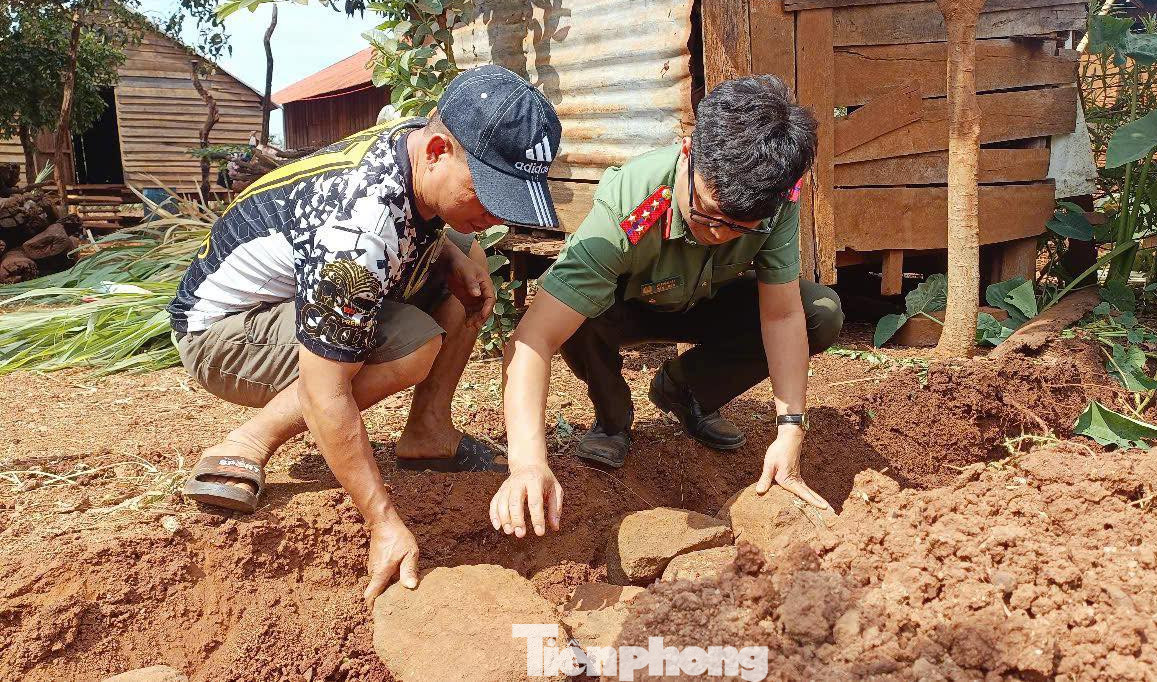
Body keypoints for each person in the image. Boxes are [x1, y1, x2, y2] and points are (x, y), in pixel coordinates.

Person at [170, 65, 562, 603]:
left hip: (293, 296)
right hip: (224, 333)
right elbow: (325, 388)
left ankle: (428, 433)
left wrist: (452, 251)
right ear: (438, 151)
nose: (494, 215)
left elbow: (419, 217)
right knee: (412, 344)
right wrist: (383, 521)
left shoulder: (414, 143)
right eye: (486, 193)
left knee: (464, 286)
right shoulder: (357, 230)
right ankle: (247, 442)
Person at [490, 74, 844, 539]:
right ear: (688, 152)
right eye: (706, 213)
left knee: (820, 311)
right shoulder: (633, 202)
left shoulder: (776, 200)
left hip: (707, 299)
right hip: (625, 306)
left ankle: (685, 390)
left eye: (739, 226)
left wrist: (790, 428)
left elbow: (782, 314)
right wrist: (527, 464)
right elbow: (535, 336)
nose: (718, 233)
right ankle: (612, 419)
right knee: (575, 315)